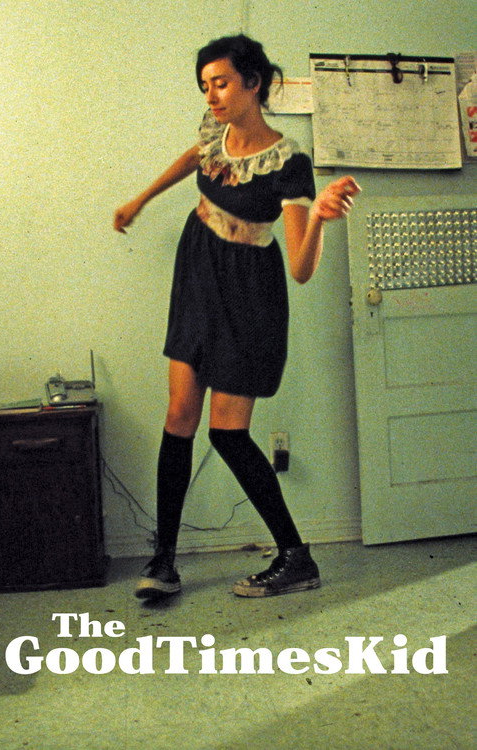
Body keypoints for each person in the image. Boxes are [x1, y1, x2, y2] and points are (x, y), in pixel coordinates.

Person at [114, 34, 360, 600]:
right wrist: (141, 199)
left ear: (254, 83)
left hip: (249, 294)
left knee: (227, 433)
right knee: (179, 415)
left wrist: (318, 217)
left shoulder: (289, 161)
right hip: (197, 273)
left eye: (221, 83)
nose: (212, 95)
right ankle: (164, 559)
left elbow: (300, 268)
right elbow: (194, 158)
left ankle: (296, 557)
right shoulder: (215, 131)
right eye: (205, 85)